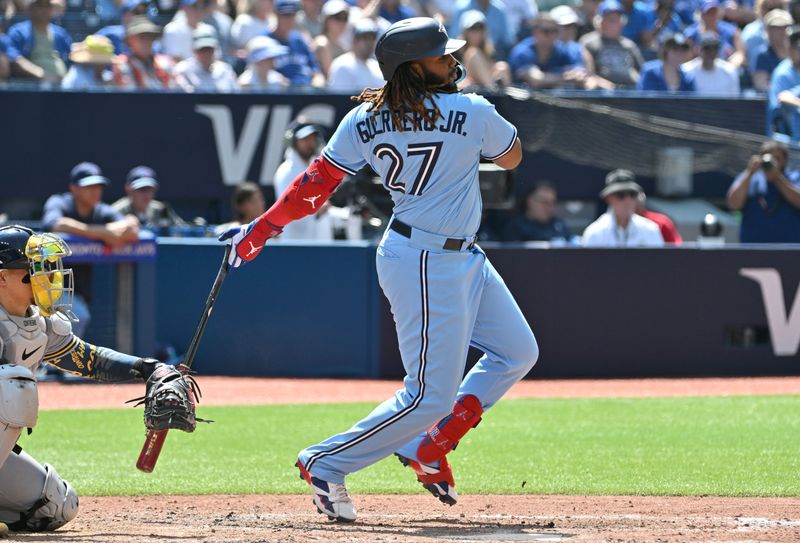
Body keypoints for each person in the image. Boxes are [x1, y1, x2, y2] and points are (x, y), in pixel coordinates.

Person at [219, 17, 537, 521]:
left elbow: (314, 185)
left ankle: (429, 446)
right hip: (428, 259)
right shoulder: (471, 109)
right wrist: (472, 122)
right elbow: (513, 157)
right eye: (440, 56)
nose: (452, 62)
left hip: (453, 253)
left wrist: (261, 228)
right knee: (428, 395)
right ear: (413, 67)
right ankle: (325, 461)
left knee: (517, 350)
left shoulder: (364, 118)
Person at [0, 226, 198, 535]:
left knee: (56, 505)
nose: (46, 277)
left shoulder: (37, 326)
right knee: (12, 385)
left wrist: (148, 369)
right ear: (2, 277)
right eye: (34, 269)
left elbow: (89, 359)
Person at [41, 162, 139, 337]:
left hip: (77, 290)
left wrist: (106, 231)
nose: (95, 191)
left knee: (75, 320)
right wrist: (102, 232)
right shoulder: (60, 202)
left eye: (98, 186)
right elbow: (54, 223)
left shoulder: (101, 211)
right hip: (45, 286)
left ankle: (50, 363)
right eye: (88, 186)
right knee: (77, 316)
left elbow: (132, 225)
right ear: (74, 188)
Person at [726, 139, 800, 242]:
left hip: (789, 253)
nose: (773, 162)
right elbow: (733, 204)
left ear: (785, 160)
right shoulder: (748, 179)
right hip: (753, 252)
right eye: (769, 158)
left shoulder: (795, 178)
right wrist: (749, 172)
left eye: (777, 158)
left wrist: (777, 178)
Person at [271, 121, 335, 240]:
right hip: (295, 246)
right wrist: (317, 210)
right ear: (293, 142)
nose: (310, 143)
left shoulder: (315, 168)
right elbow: (288, 211)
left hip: (318, 245)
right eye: (305, 139)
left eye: (312, 139)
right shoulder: (286, 172)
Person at [582, 169, 664, 246]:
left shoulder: (650, 230)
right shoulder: (594, 233)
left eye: (632, 194)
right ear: (608, 198)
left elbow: (659, 260)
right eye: (621, 195)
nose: (628, 201)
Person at [508, 13, 589, 88]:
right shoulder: (523, 52)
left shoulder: (562, 50)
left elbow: (579, 72)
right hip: (521, 101)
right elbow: (536, 80)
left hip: (556, 100)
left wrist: (577, 75)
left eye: (555, 31)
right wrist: (565, 77)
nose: (551, 35)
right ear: (535, 33)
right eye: (546, 31)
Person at [579, 0, 645, 88]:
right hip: (601, 93)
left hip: (630, 92)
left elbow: (642, 71)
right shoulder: (589, 42)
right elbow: (586, 73)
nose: (615, 24)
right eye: (610, 20)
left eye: (617, 20)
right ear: (600, 22)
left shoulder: (629, 45)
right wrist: (603, 83)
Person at [7, 0, 71, 83]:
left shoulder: (60, 33)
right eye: (40, 6)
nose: (44, 9)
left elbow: (71, 57)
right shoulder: (18, 32)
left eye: (48, 6)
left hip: (63, 86)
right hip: (32, 87)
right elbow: (13, 58)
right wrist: (43, 75)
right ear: (30, 9)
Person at [267, 0, 325, 86]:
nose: (289, 20)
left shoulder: (299, 40)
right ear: (276, 15)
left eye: (292, 15)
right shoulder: (266, 41)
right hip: (280, 94)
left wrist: (318, 84)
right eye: (285, 15)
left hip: (306, 92)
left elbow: (316, 72)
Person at [112, 166, 186, 233]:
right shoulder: (116, 211)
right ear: (128, 189)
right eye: (142, 189)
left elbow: (183, 230)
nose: (147, 194)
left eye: (150, 189)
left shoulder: (160, 209)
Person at [453, 9, 511, 89]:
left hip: (484, 86)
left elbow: (494, 70)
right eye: (473, 28)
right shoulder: (455, 51)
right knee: (473, 53)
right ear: (465, 31)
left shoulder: (491, 51)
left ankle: (505, 99)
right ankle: (493, 89)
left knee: (502, 67)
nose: (477, 32)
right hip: (468, 88)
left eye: (481, 28)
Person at [113, 16, 175, 89]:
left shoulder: (165, 63)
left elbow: (174, 91)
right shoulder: (122, 65)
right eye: (142, 37)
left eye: (150, 37)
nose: (147, 41)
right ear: (130, 40)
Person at [503, 182, 574, 242]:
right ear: (530, 201)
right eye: (545, 202)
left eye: (552, 203)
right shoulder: (516, 227)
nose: (550, 207)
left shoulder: (559, 225)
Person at [173, 26, 238, 91]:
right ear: (194, 50)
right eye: (202, 50)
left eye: (209, 49)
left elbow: (235, 95)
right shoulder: (182, 70)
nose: (206, 54)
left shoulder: (225, 70)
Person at [327, 17, 384, 91]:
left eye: (372, 38)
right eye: (365, 38)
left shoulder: (377, 66)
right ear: (355, 40)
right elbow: (340, 100)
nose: (369, 42)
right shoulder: (342, 65)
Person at [768, 27, 800, 138]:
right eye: (798, 48)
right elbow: (782, 98)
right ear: (790, 49)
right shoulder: (782, 73)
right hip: (789, 138)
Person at [751, 8, 792, 92]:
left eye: (785, 27)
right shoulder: (762, 55)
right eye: (776, 28)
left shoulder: (796, 52)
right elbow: (761, 84)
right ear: (768, 30)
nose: (781, 32)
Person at [311, 0, 349, 77]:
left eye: (345, 18)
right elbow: (331, 78)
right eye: (337, 18)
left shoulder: (342, 48)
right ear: (326, 20)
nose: (341, 22)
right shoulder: (322, 43)